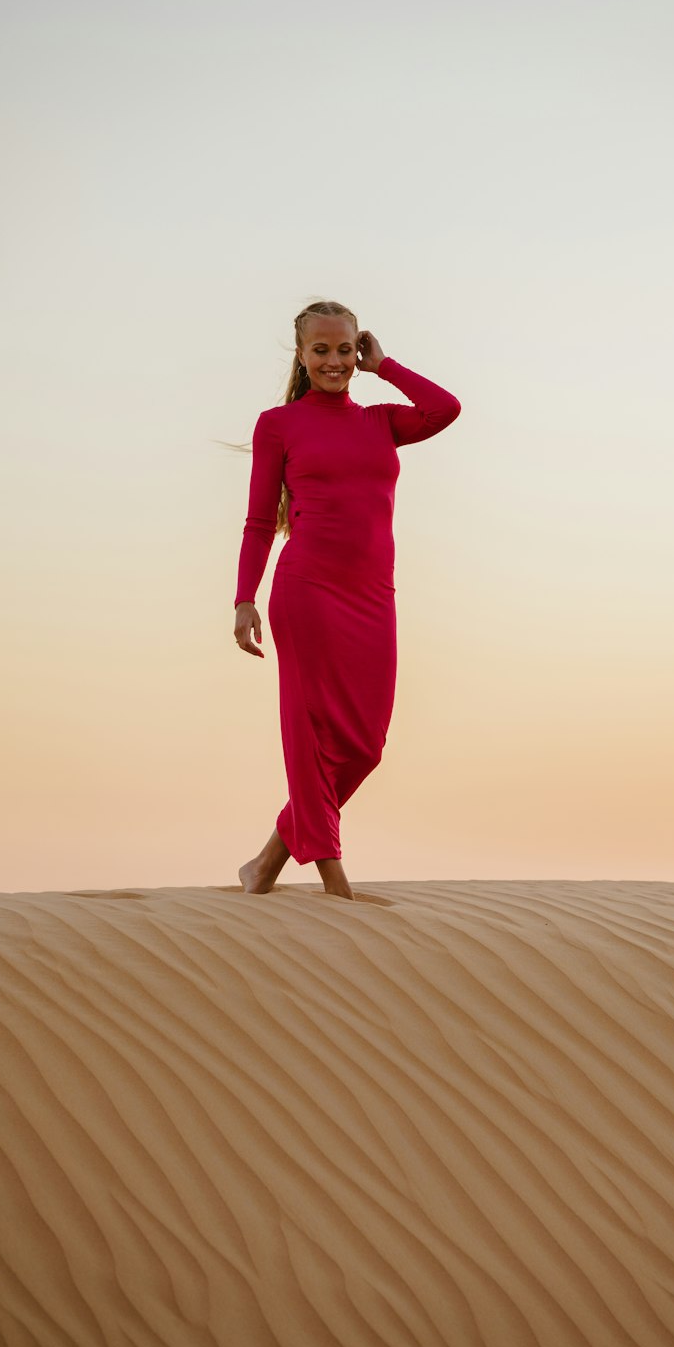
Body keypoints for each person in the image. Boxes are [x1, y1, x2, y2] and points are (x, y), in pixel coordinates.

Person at [233, 300, 461, 900]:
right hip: (305, 590)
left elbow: (445, 409)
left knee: (364, 743)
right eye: (321, 350)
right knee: (311, 735)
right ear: (302, 356)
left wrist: (386, 367)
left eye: (344, 350)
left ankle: (264, 864)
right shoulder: (278, 425)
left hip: (371, 596)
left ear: (357, 351)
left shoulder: (381, 422)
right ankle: (335, 883)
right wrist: (243, 599)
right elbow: (259, 523)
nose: (333, 362)